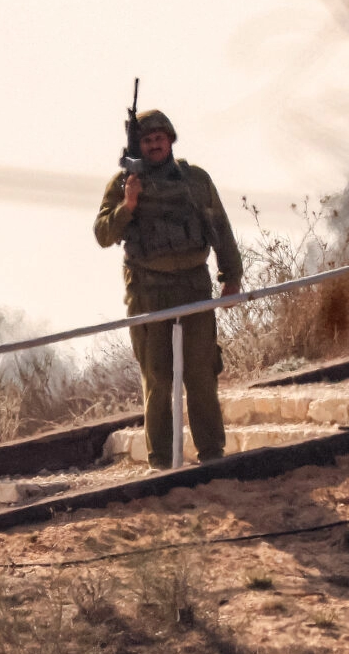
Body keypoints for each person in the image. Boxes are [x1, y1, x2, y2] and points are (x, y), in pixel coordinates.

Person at [94, 110, 243, 468]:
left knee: (201, 374)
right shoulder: (123, 183)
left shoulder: (195, 180)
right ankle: (161, 458)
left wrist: (231, 277)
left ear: (171, 140)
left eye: (160, 138)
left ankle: (212, 453)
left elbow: (220, 226)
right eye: (147, 140)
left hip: (193, 284)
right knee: (158, 377)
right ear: (137, 146)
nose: (155, 144)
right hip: (148, 290)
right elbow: (102, 234)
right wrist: (128, 205)